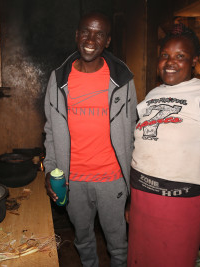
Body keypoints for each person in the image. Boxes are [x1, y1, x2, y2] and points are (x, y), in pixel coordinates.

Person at [126, 23, 200, 267]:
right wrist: (129, 202)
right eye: (165, 55)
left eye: (180, 56)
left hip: (179, 204)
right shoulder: (152, 95)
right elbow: (141, 149)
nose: (170, 62)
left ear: (194, 60)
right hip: (141, 199)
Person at [43, 11, 137, 267]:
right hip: (74, 182)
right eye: (86, 31)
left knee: (118, 245)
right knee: (83, 241)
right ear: (77, 35)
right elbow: (50, 130)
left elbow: (132, 131)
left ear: (108, 41)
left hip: (113, 180)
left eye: (99, 34)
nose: (91, 39)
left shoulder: (123, 79)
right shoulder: (59, 78)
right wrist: (51, 170)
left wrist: (133, 181)